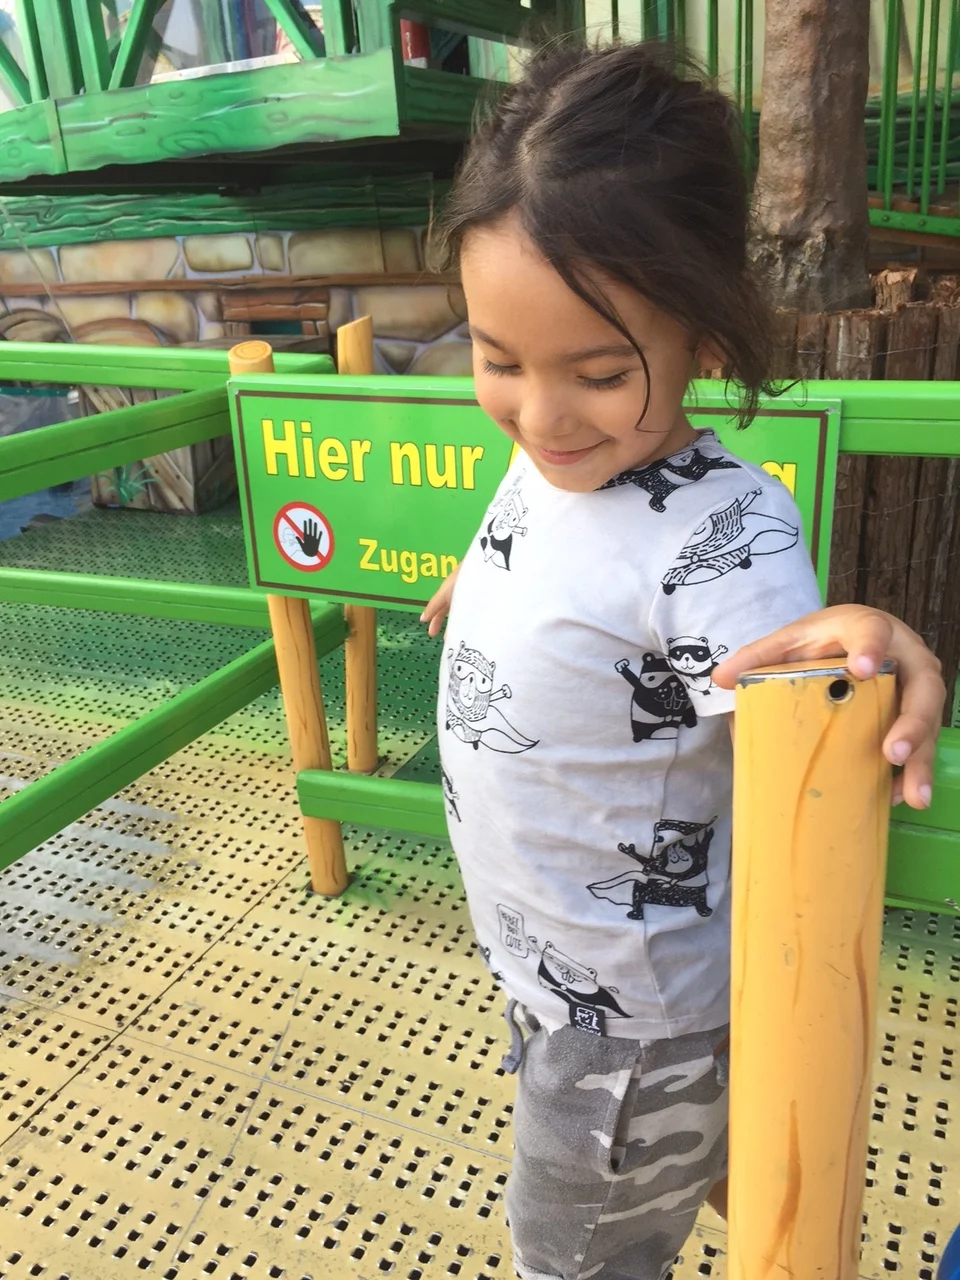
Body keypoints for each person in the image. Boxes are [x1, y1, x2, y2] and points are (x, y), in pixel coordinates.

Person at [419, 40, 946, 1280]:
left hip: (636, 1030)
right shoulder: (555, 459)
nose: (542, 417)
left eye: (599, 374)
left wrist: (874, 642)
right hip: (554, 971)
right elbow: (561, 538)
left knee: (575, 1257)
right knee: (689, 1185)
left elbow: (806, 679)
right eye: (499, 359)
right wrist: (489, 583)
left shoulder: (723, 535)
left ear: (703, 329)